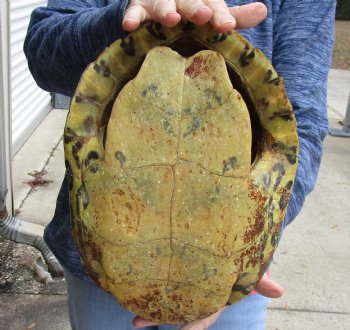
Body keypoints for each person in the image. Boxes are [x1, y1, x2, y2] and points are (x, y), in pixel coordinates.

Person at [24, 0, 335, 329]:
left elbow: (303, 124)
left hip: (224, 269)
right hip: (122, 275)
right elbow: (44, 54)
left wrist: (255, 249)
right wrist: (122, 19)